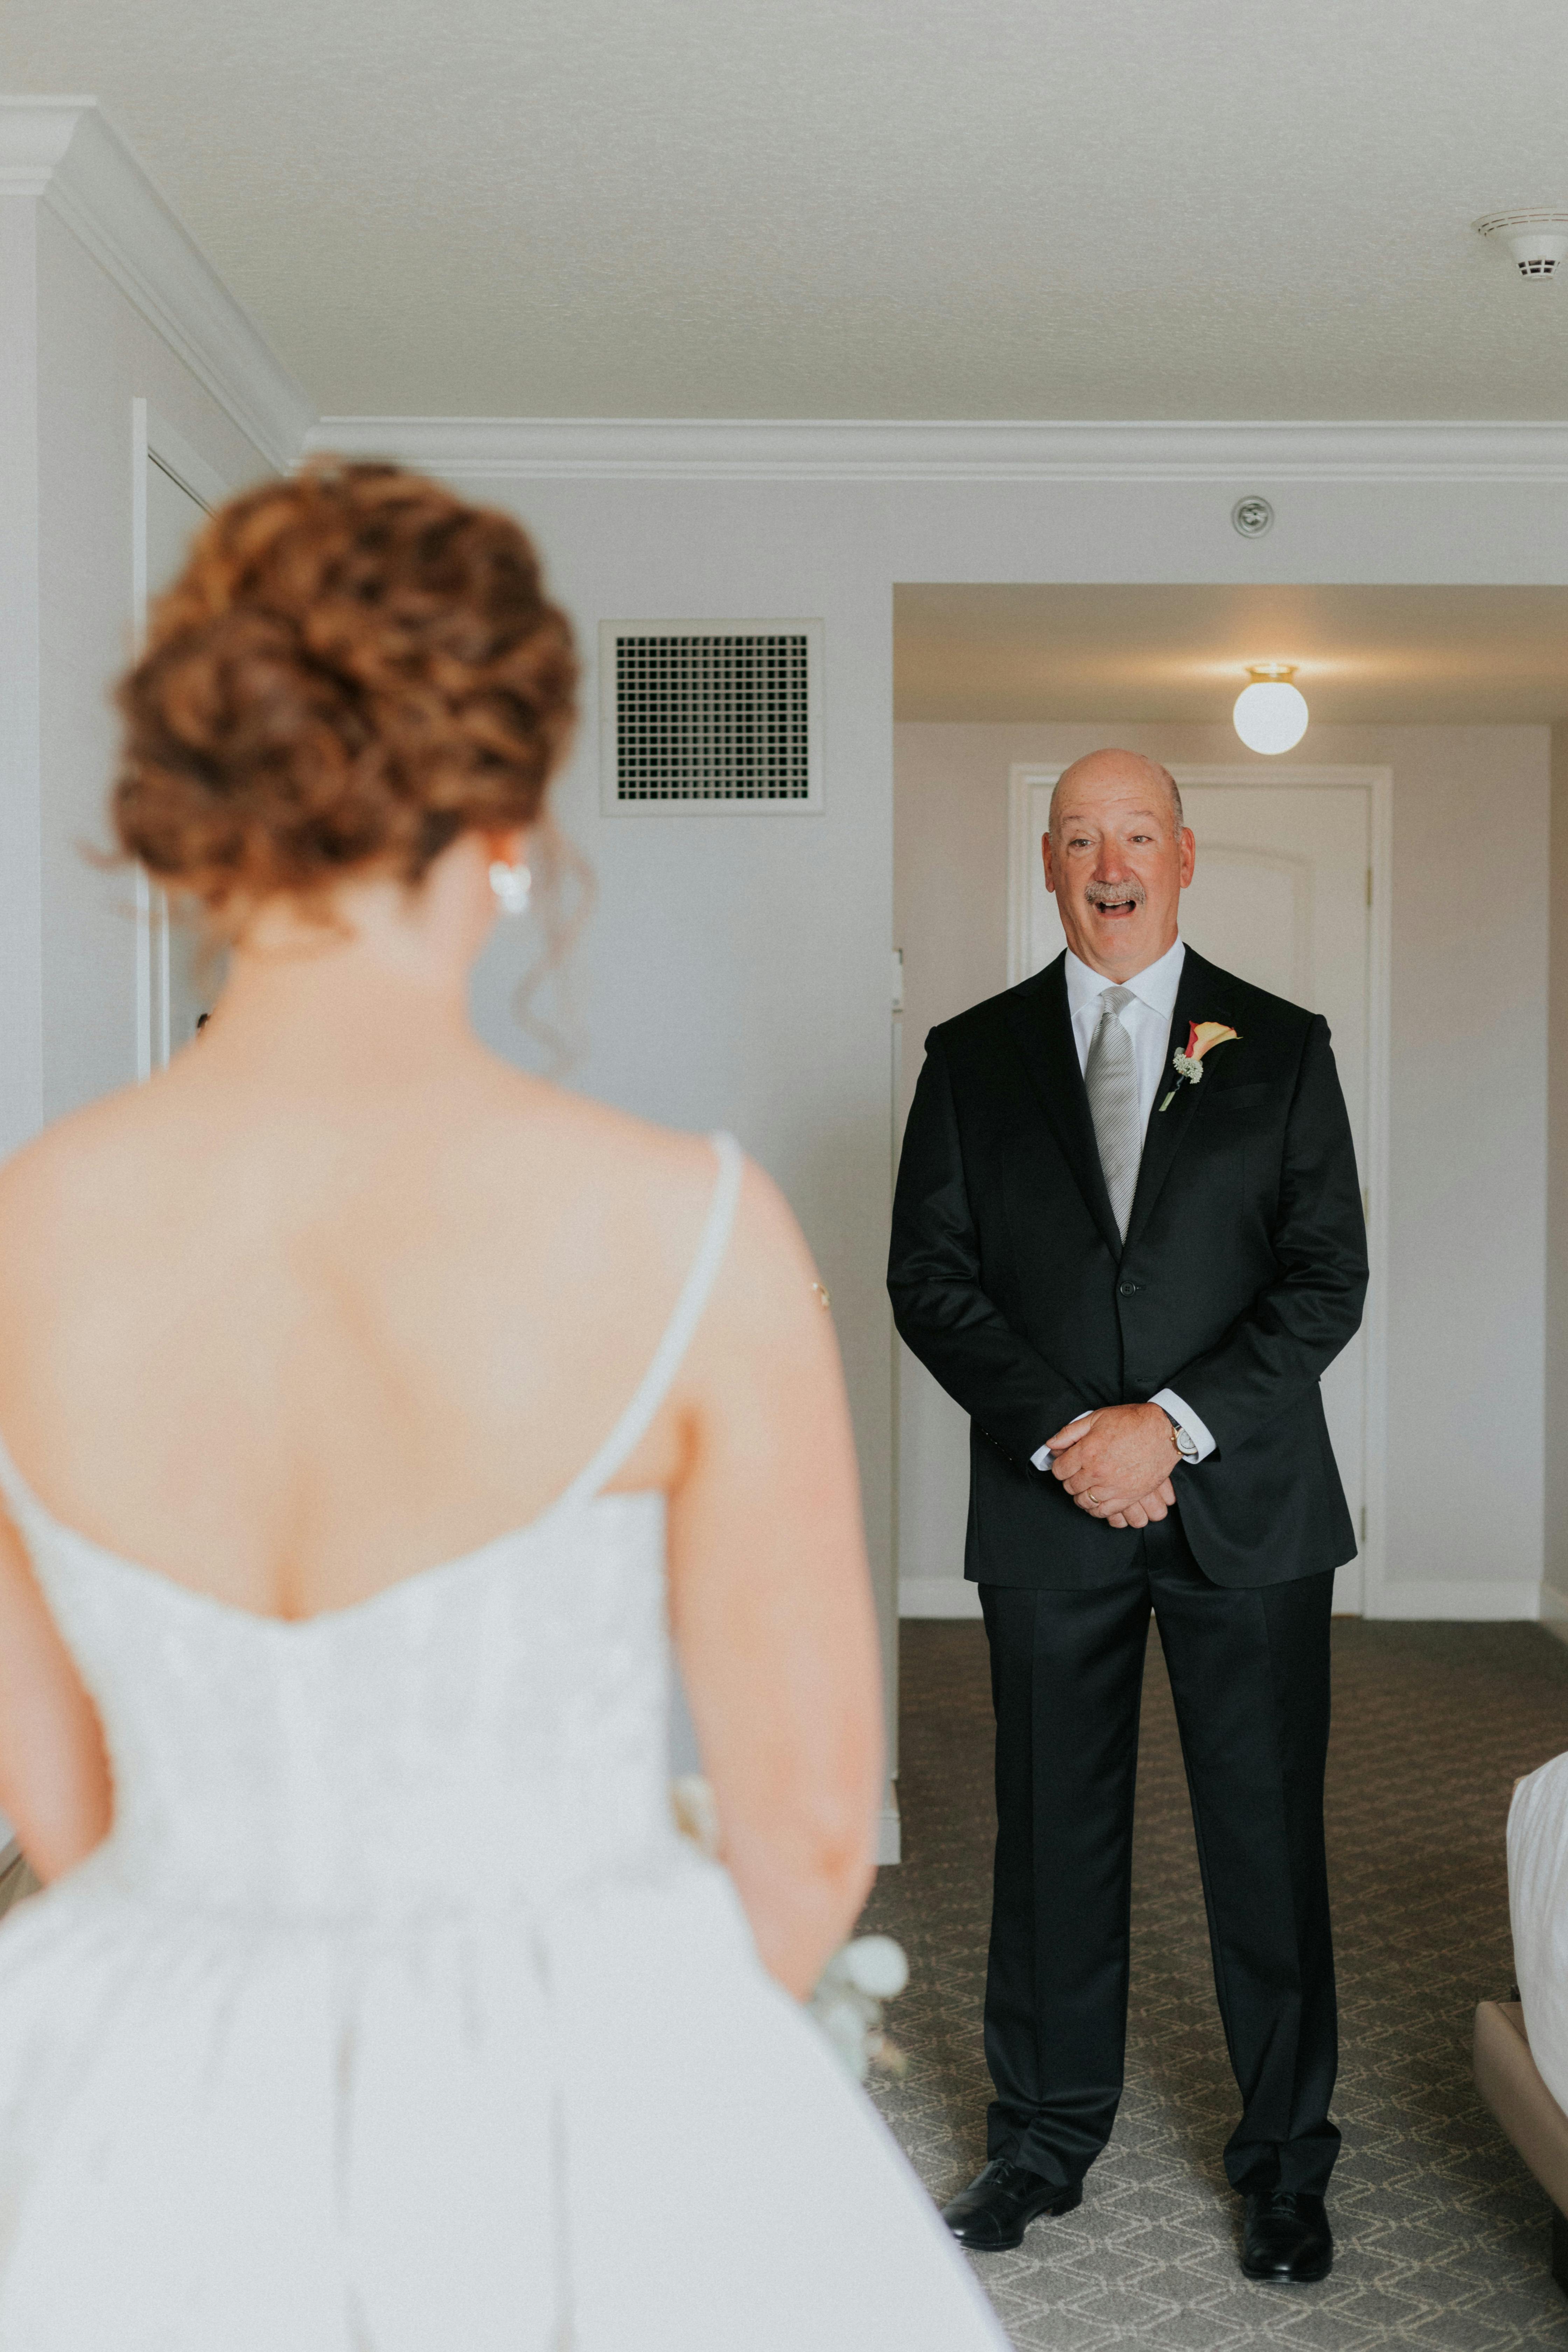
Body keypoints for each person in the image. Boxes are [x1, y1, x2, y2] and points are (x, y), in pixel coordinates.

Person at [0, 462, 1004, 2351]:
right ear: (514, 812)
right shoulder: (685, 1226)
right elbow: (804, 1839)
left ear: (196, 807)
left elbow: (60, 1804)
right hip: (579, 2082)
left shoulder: (21, 1239)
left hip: (147, 2089)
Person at [888, 749, 1367, 2286]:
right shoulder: (969, 1057)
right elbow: (931, 1281)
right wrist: (1063, 1440)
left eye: (1137, 834)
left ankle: (1286, 2166)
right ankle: (1038, 2142)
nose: (1111, 860)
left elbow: (1323, 1279)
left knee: (1263, 1848)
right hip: (1048, 1514)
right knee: (1052, 1838)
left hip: (1248, 1509)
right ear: (1047, 863)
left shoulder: (1284, 1048)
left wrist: (1164, 1426)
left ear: (1184, 854)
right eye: (1081, 836)